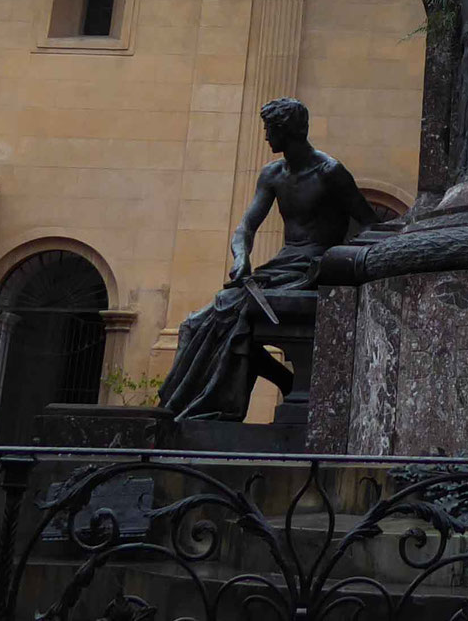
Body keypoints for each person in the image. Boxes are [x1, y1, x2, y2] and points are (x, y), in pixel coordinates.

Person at [158, 98, 375, 421]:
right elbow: (246, 226)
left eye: (270, 129)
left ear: (288, 131)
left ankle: (215, 405)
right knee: (195, 323)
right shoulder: (273, 174)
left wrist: (340, 264)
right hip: (280, 267)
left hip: (313, 267)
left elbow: (369, 223)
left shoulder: (331, 172)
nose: (265, 136)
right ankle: (181, 406)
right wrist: (241, 258)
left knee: (230, 313)